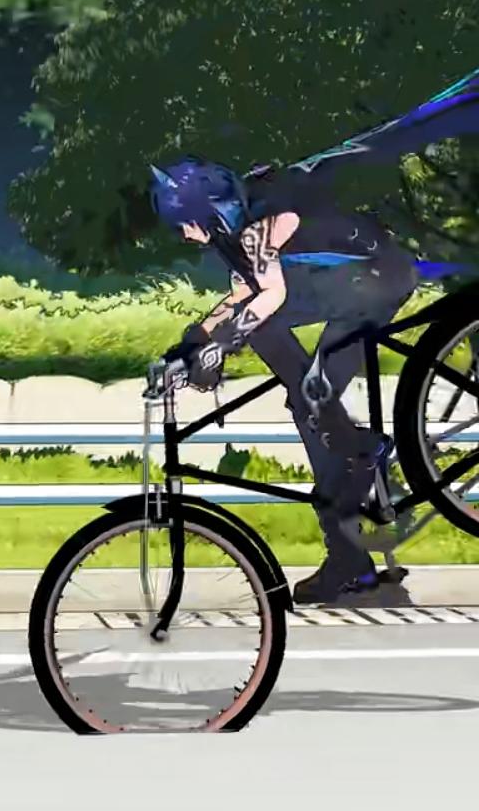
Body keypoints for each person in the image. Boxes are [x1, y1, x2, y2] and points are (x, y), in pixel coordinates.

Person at [150, 67, 479, 604]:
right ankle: (351, 556)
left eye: (185, 223)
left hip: (374, 280)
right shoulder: (237, 232)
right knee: (306, 401)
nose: (184, 235)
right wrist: (193, 341)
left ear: (206, 213)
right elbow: (242, 293)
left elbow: (270, 295)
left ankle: (358, 451)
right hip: (349, 284)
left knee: (301, 384)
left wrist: (219, 346)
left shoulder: (262, 220)